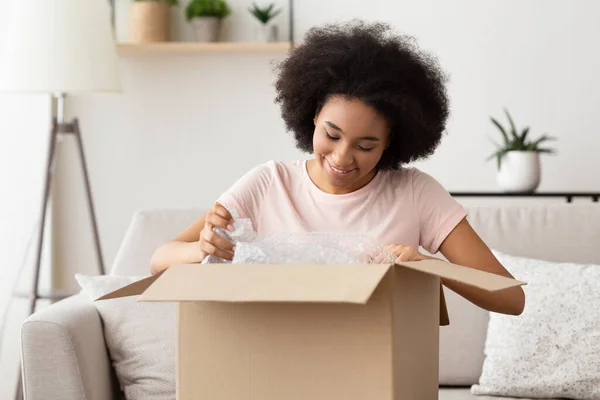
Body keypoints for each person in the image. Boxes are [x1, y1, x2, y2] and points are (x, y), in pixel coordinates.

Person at [151, 20, 525, 316]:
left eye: (366, 145)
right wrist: (202, 249)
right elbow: (159, 260)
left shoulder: (415, 192)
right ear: (312, 116)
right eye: (332, 135)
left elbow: (511, 298)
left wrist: (427, 266)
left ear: (392, 141)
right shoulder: (269, 183)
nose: (343, 158)